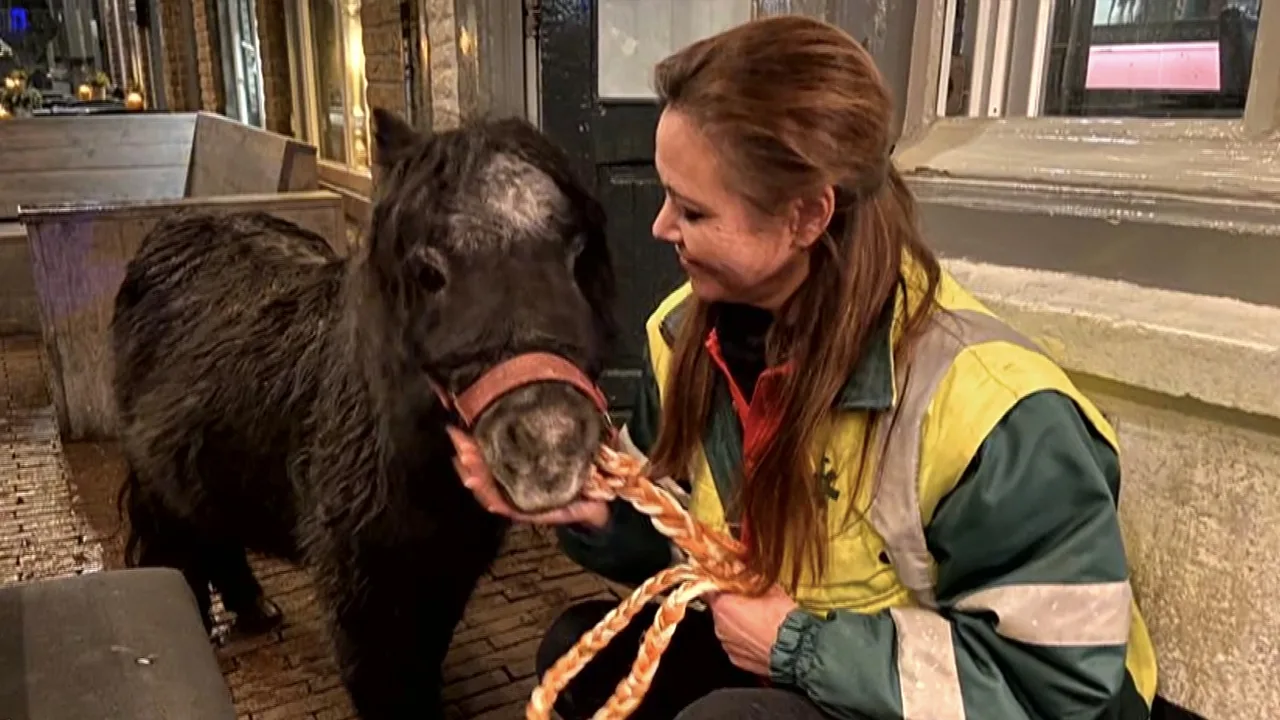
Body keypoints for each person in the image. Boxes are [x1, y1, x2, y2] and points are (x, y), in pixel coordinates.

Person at [449, 14, 1175, 720]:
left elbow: (1059, 689)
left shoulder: (993, 412)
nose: (660, 227)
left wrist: (798, 646)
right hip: (813, 658)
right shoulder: (680, 336)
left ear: (805, 218)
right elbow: (683, 541)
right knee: (580, 657)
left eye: (693, 212)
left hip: (961, 699)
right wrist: (599, 512)